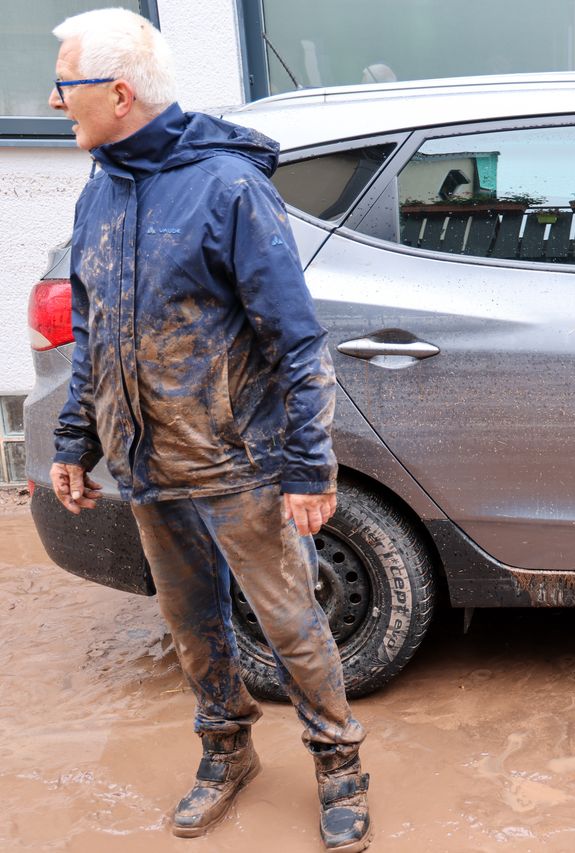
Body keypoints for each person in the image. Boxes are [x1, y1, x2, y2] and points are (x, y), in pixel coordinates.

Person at [47, 9, 371, 851]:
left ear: (118, 94)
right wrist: (75, 441)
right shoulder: (101, 188)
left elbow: (296, 341)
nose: (53, 101)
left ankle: (340, 766)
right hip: (148, 464)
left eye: (66, 85)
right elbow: (94, 328)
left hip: (239, 464)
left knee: (293, 625)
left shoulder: (229, 188)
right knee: (193, 628)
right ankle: (226, 753)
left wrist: (310, 468)